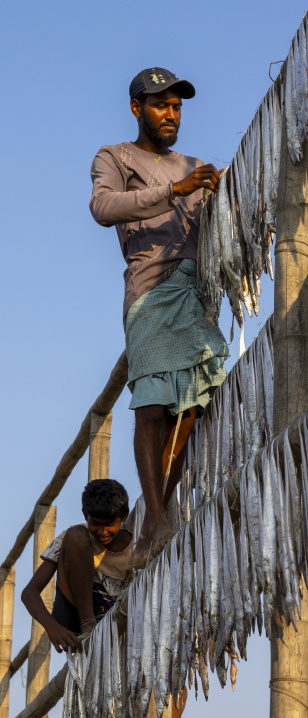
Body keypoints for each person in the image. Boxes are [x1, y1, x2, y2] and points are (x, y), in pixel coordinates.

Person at [89, 67, 229, 568]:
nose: (170, 114)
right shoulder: (116, 157)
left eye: (177, 106)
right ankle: (156, 517)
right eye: (160, 105)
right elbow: (103, 207)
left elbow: (216, 219)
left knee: (193, 401)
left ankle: (156, 513)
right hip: (149, 290)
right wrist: (175, 190)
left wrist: (220, 192)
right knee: (151, 406)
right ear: (136, 108)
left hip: (193, 294)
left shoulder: (192, 165)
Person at [21, 479, 132, 653]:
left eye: (110, 524)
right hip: (75, 622)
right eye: (95, 523)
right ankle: (89, 624)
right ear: (84, 514)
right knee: (76, 535)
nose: (102, 532)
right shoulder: (72, 538)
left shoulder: (135, 547)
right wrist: (52, 628)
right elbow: (29, 593)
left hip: (116, 621)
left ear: (123, 517)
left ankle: (99, 629)